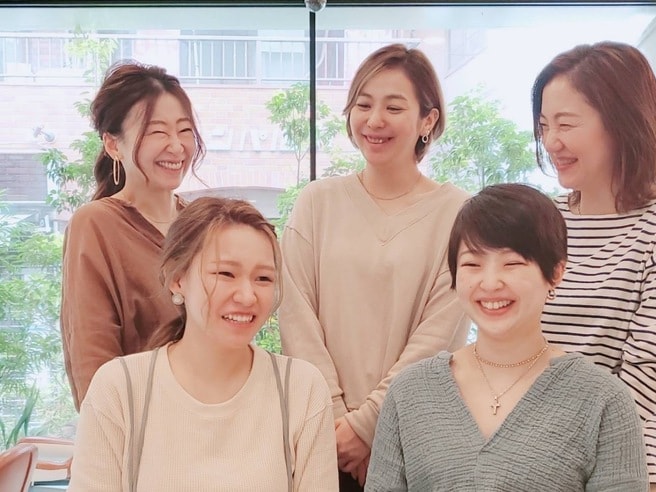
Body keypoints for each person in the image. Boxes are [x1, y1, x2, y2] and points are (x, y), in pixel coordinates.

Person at [365, 183, 648, 492]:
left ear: (556, 272)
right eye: (472, 264)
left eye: (512, 263)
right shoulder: (409, 392)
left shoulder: (603, 399)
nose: (490, 283)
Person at [279, 43, 471, 490]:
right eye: (363, 105)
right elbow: (294, 314)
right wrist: (337, 425)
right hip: (320, 439)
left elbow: (439, 338)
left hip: (412, 443)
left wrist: (367, 426)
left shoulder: (458, 212)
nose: (374, 120)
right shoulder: (317, 202)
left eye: (394, 107)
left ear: (428, 120)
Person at [533, 41, 656, 490]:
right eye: (544, 125)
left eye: (566, 124)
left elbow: (653, 370)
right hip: (526, 456)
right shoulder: (542, 218)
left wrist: (557, 452)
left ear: (621, 121)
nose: (551, 141)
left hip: (617, 465)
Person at [69, 197, 338, 491]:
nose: (247, 296)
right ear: (177, 278)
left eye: (263, 278)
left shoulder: (301, 389)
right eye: (225, 274)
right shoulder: (118, 388)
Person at [60, 61, 206, 411]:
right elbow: (92, 361)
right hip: (139, 431)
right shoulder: (95, 224)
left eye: (184, 130)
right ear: (113, 144)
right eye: (157, 132)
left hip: (215, 425)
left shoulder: (203, 225)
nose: (177, 146)